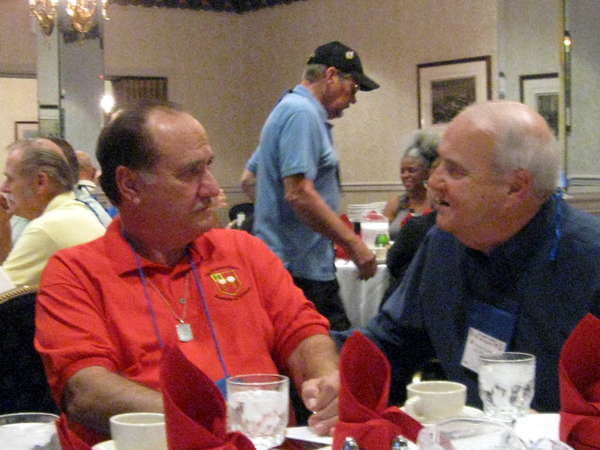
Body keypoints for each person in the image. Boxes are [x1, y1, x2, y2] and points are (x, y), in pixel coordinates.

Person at [34, 101, 340, 446]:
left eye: (207, 167)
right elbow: (86, 391)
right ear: (130, 184)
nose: (211, 188)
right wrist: (215, 416)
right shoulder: (75, 273)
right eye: (190, 173)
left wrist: (327, 380)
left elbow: (302, 333)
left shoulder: (243, 251)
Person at [333, 101, 600, 413]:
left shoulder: (588, 259)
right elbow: (393, 341)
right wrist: (331, 364)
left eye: (454, 170)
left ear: (516, 187)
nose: (433, 182)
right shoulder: (444, 244)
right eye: (438, 165)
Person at [253, 41, 380, 331]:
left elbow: (250, 179)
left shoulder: (287, 109)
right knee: (333, 360)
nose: (354, 99)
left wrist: (276, 219)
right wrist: (353, 244)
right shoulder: (302, 114)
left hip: (292, 264)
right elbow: (299, 193)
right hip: (301, 271)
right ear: (331, 75)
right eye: (355, 87)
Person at [0, 138, 106, 287]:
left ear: (41, 182)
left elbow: (5, 299)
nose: (4, 188)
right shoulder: (74, 213)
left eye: (10, 179)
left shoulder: (47, 228)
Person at [383, 131, 440, 241]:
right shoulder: (396, 203)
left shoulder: (436, 203)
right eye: (402, 171)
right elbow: (381, 235)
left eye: (412, 170)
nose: (405, 175)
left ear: (427, 172)